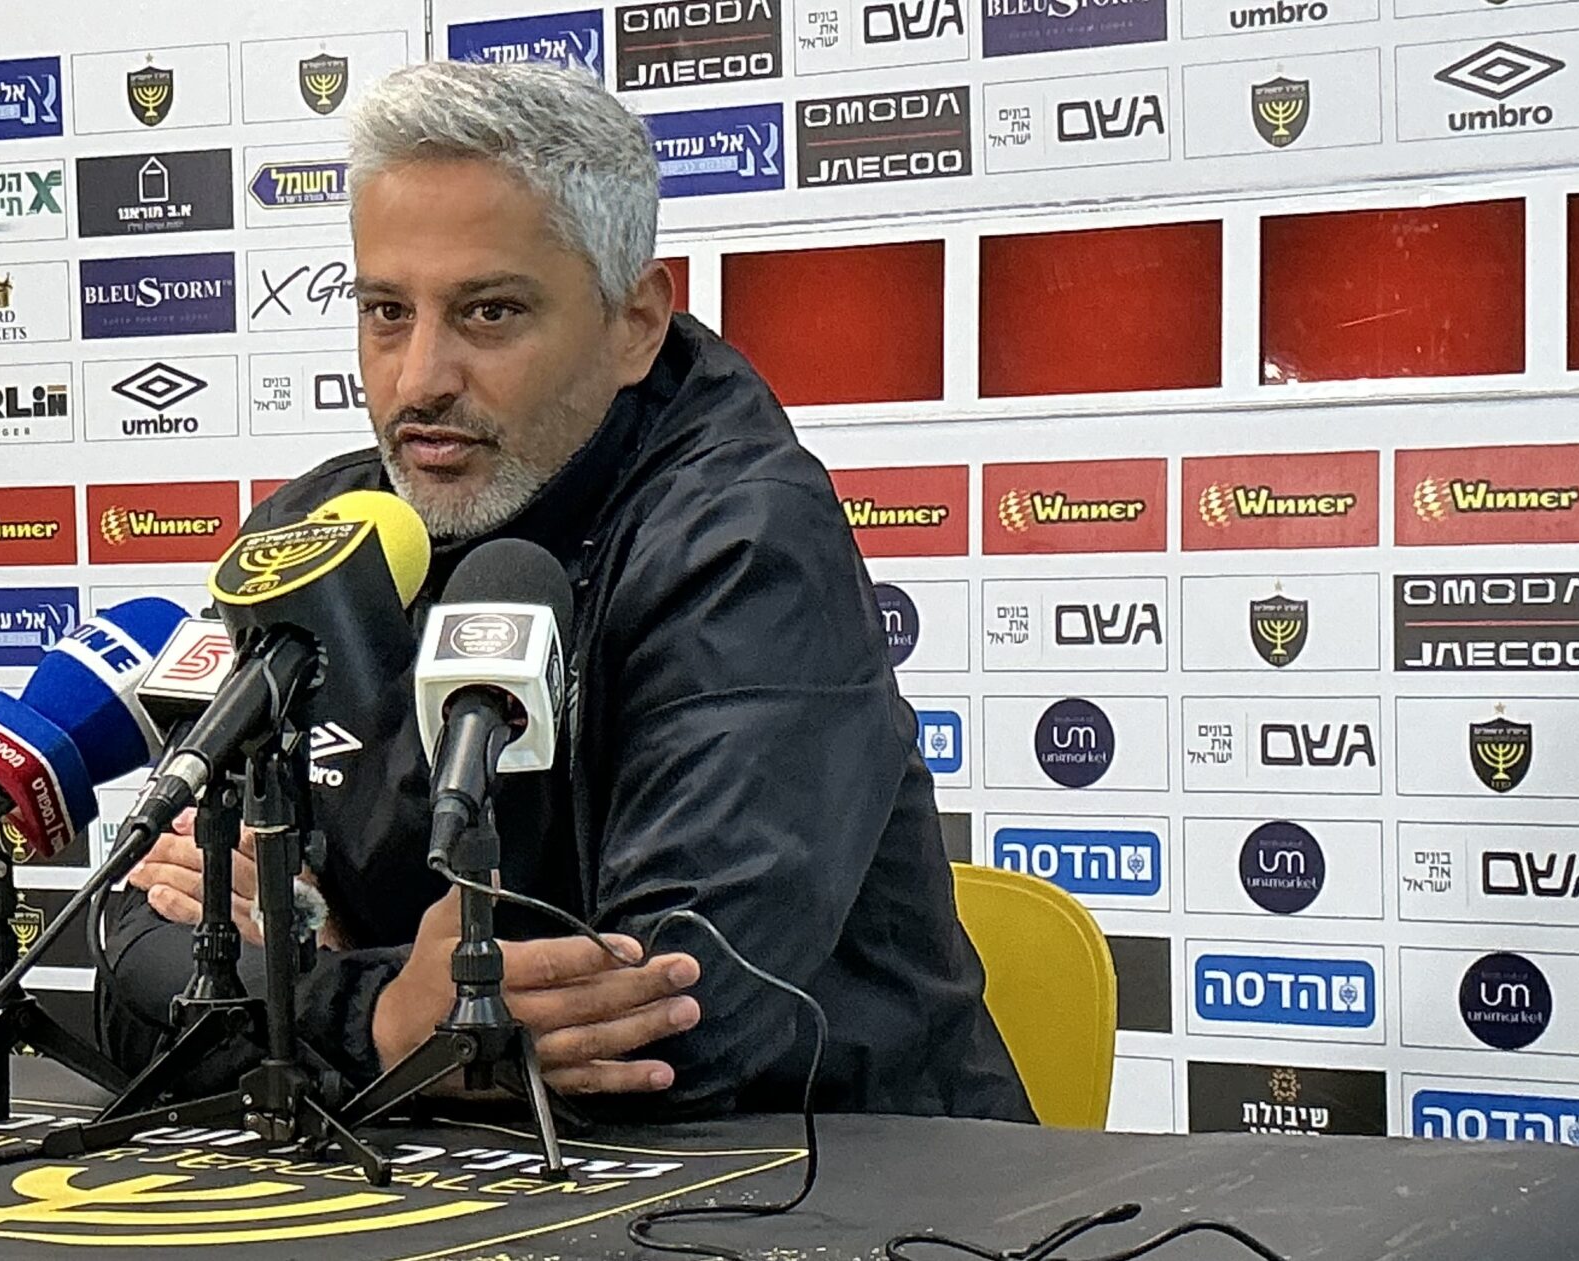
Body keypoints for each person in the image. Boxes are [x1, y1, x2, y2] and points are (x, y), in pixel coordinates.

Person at [97, 59, 1032, 1123]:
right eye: (387, 311)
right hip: (455, 1176)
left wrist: (331, 984)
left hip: (848, 1171)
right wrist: (386, 1018)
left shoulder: (746, 539)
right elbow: (137, 968)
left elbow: (674, 1014)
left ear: (634, 322)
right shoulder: (313, 536)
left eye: (489, 312)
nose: (419, 378)